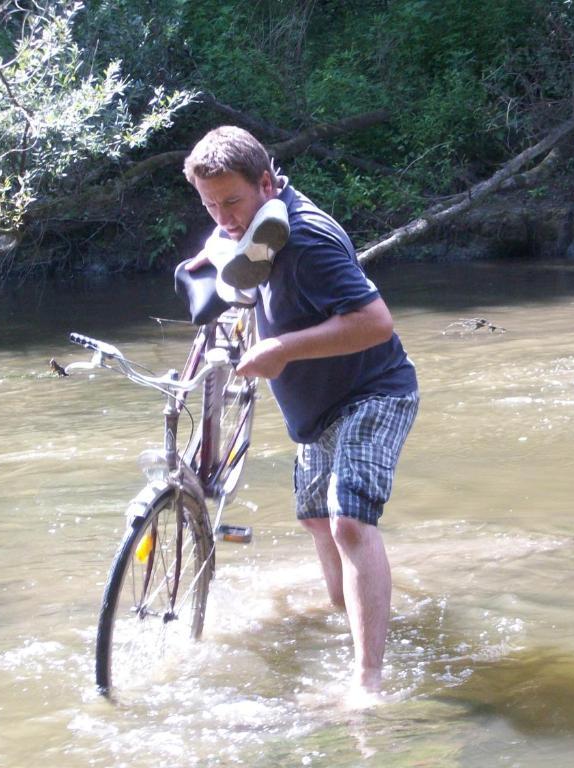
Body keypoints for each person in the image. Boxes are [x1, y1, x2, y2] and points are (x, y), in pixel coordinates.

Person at [182, 125, 419, 704]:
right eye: (210, 205)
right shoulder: (245, 230)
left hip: (374, 393)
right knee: (317, 522)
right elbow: (236, 287)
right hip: (315, 412)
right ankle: (356, 616)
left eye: (232, 201)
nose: (224, 217)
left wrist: (283, 349)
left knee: (349, 523)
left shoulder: (307, 238)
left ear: (266, 182)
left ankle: (369, 682)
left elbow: (375, 321)